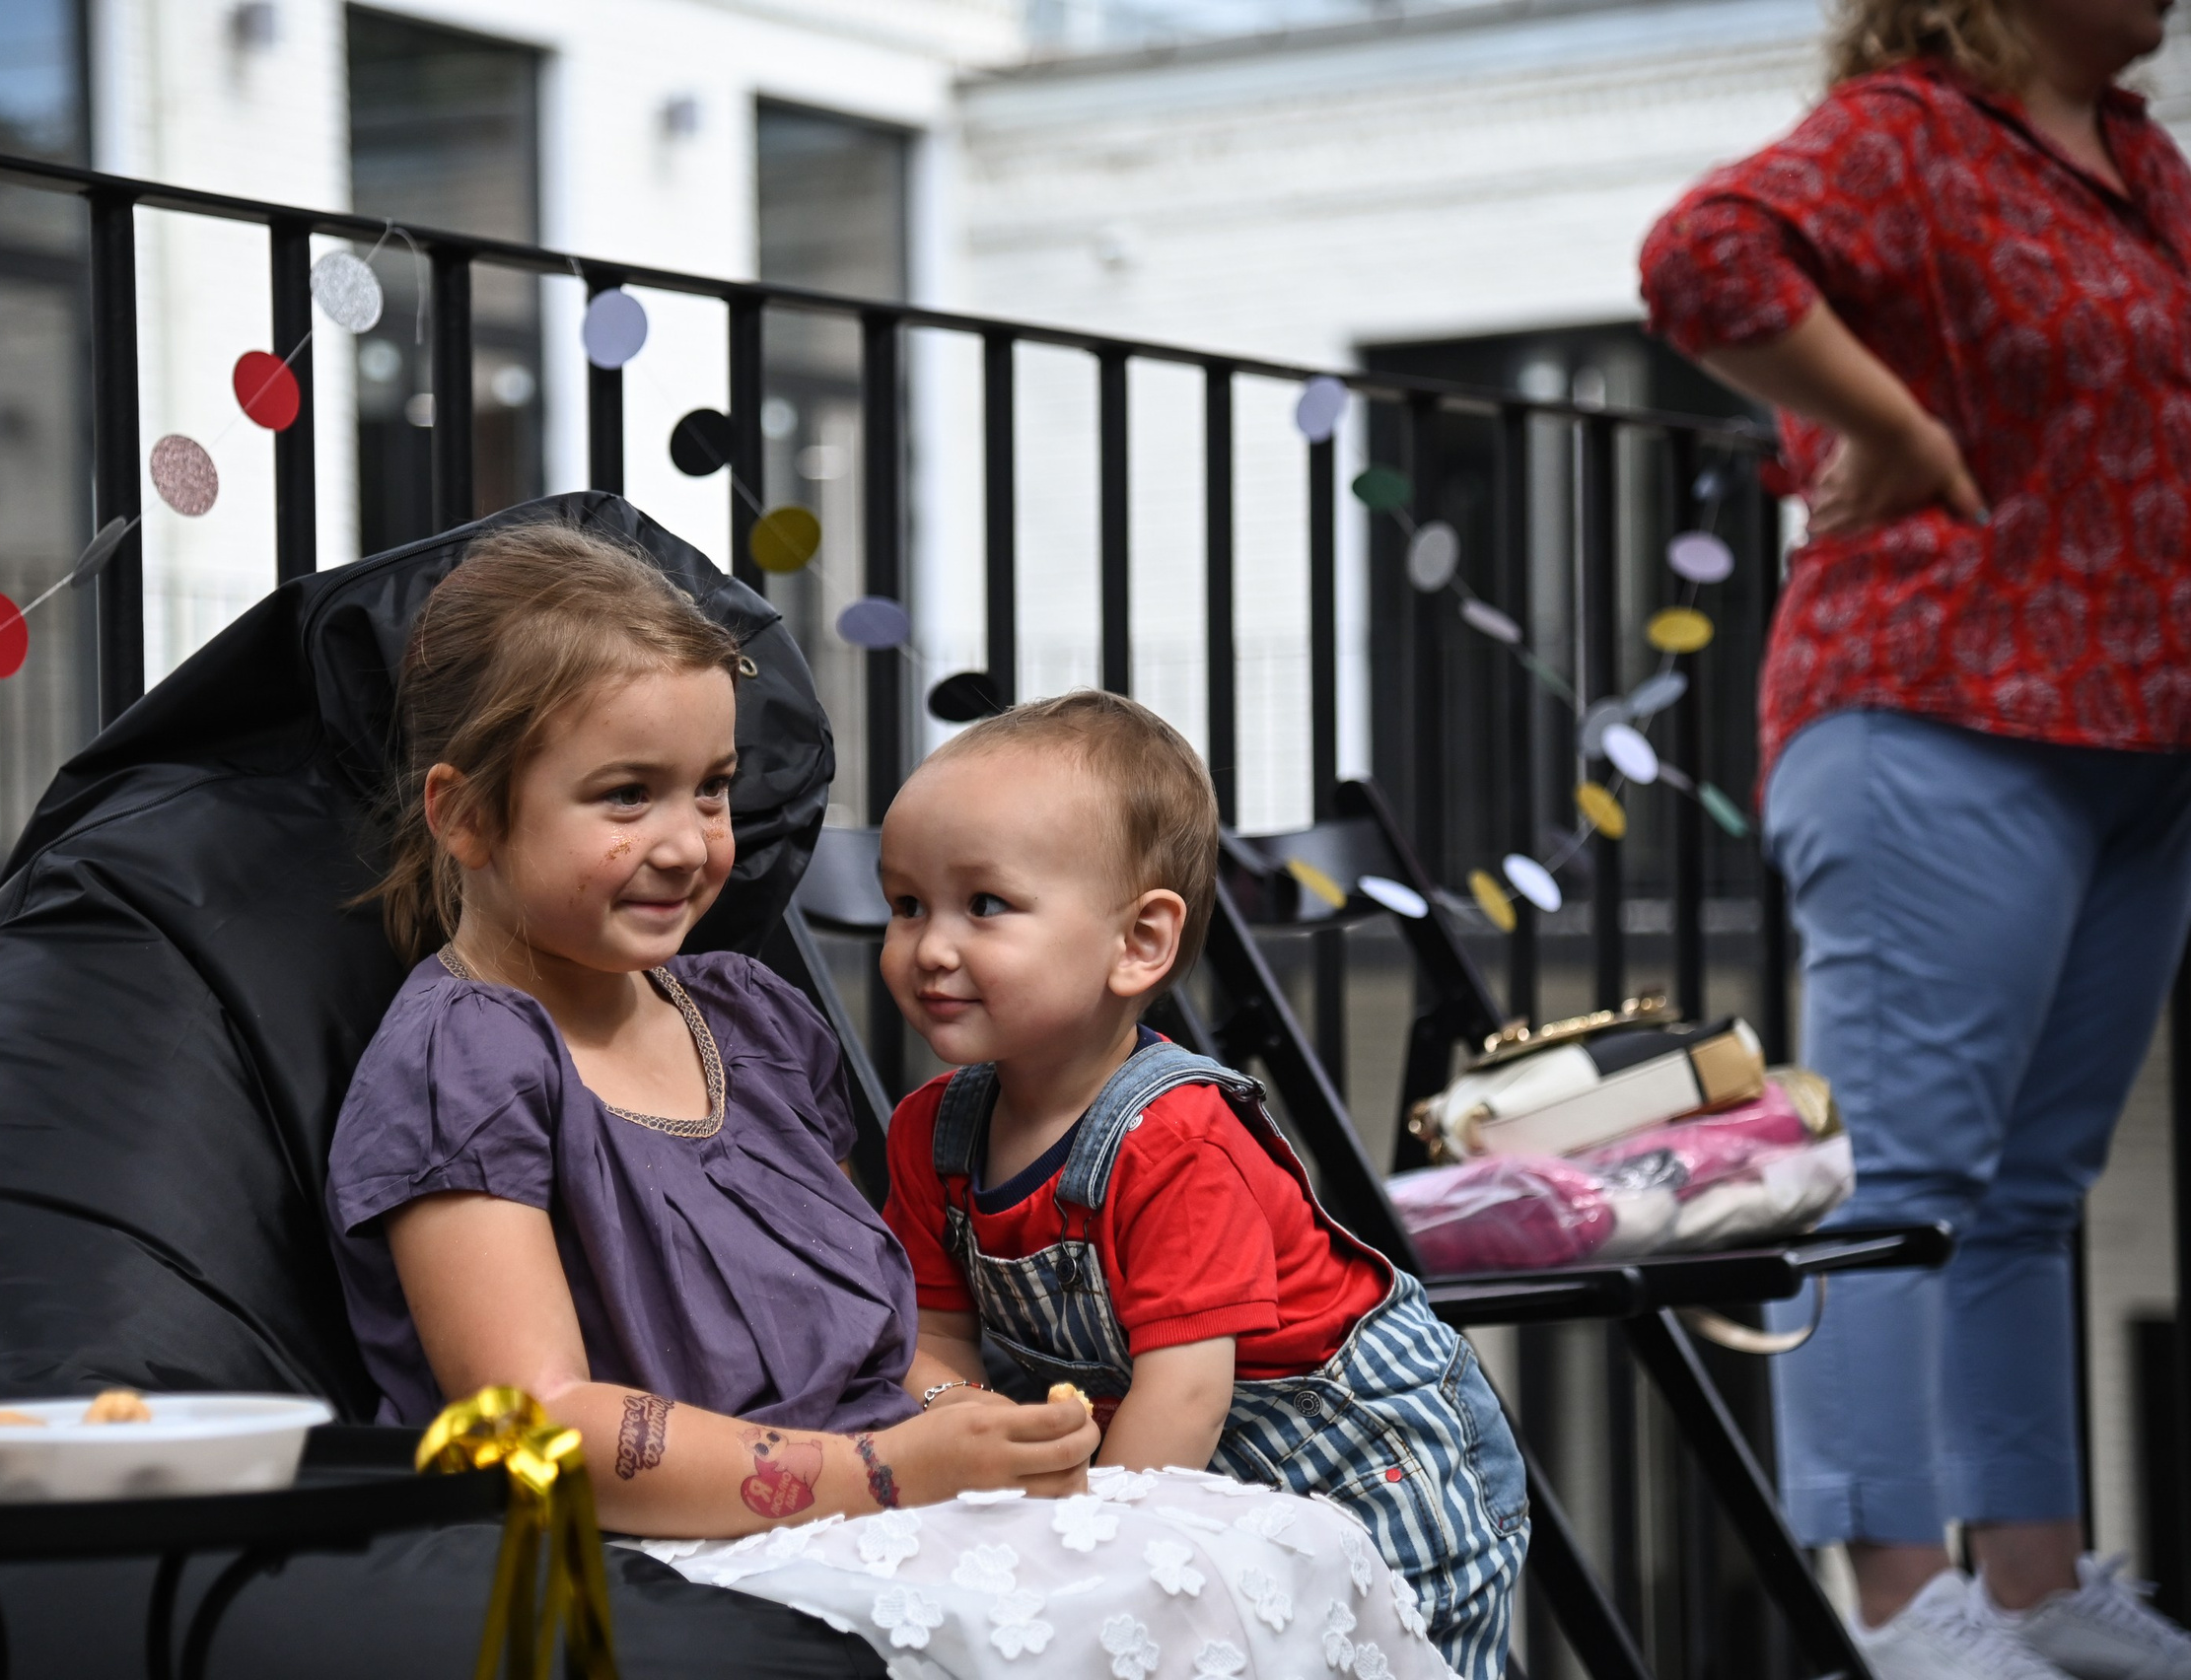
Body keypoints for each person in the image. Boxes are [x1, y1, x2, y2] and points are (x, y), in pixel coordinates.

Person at [322, 525, 1455, 1680]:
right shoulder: (464, 1061)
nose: (685, 843)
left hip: (887, 1495)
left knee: (1281, 1547)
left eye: (711, 790)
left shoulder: (747, 1021)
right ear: (464, 816)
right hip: (685, 1545)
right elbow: (540, 1425)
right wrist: (896, 1469)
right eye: (625, 797)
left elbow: (877, 1326)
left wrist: (982, 1427)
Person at [1639, 3, 2191, 1678]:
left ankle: (2027, 1579)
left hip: (2140, 735)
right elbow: (1702, 259)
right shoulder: (1911, 133)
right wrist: (1888, 424)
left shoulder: (2146, 167)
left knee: (2030, 1190)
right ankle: (1896, 1600)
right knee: (1896, 1179)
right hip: (1939, 704)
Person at [874, 690, 1530, 1680]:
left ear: (1138, 943)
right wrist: (969, 1420)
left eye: (985, 906)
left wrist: (1078, 1555)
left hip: (1362, 1477)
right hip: (1167, 1486)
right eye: (906, 904)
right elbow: (928, 1338)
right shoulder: (934, 1134)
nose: (929, 947)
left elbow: (1184, 1394)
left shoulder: (1176, 1138)